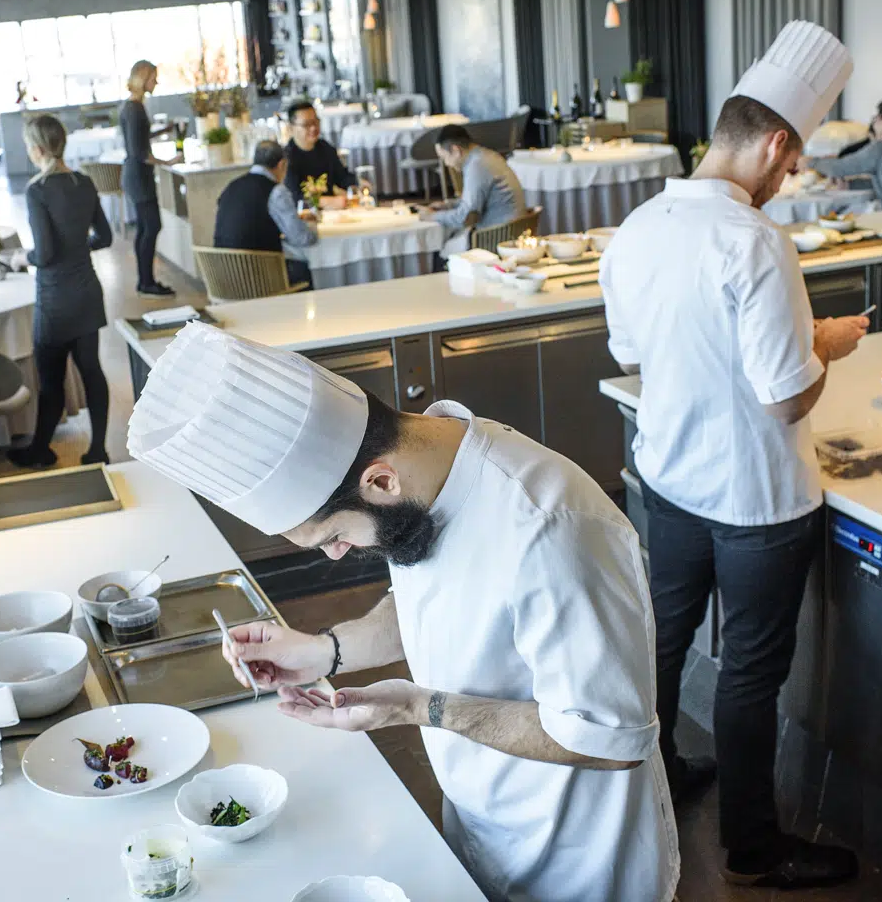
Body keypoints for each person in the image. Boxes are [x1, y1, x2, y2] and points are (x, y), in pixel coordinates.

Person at [127, 323, 679, 902]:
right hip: (481, 824)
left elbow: (606, 740)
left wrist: (420, 706)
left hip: (578, 861)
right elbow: (436, 602)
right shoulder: (426, 473)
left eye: (334, 534)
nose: (336, 553)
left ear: (380, 479)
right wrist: (321, 650)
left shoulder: (550, 529)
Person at [599, 20, 868, 890]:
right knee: (751, 675)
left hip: (669, 480)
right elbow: (787, 393)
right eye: (791, 165)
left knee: (666, 642)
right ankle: (754, 846)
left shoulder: (638, 225)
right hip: (756, 501)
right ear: (777, 143)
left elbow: (631, 354)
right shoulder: (756, 240)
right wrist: (825, 341)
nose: (788, 181)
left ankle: (660, 779)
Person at [6, 114, 112, 469]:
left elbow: (46, 253)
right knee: (92, 372)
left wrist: (23, 257)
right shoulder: (83, 182)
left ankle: (40, 451)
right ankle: (98, 449)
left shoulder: (37, 190)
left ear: (37, 149)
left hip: (55, 300)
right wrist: (79, 249)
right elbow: (105, 237)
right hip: (86, 292)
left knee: (51, 380)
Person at [213, 140, 317, 287]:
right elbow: (302, 238)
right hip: (259, 278)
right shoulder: (276, 191)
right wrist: (312, 223)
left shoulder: (232, 186)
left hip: (224, 279)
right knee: (302, 266)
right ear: (282, 164)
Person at [420, 124, 527, 256]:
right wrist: (449, 205)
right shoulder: (486, 156)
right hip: (511, 230)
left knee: (438, 250)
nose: (447, 163)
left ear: (456, 150)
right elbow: (479, 200)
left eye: (444, 158)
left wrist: (432, 216)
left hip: (495, 238)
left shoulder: (476, 166)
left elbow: (466, 217)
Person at [120, 60, 178, 299]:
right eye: (154, 77)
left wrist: (163, 131)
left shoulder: (131, 107)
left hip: (135, 176)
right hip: (138, 177)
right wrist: (168, 162)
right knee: (152, 226)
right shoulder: (135, 109)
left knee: (145, 227)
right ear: (143, 79)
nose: (156, 82)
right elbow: (140, 152)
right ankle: (147, 282)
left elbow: (139, 139)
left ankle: (145, 281)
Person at [283, 101, 357, 205]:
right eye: (306, 125)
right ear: (291, 128)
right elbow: (295, 198)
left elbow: (342, 177)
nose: (313, 128)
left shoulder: (325, 148)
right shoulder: (286, 159)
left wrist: (357, 183)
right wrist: (327, 202)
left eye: (315, 122)